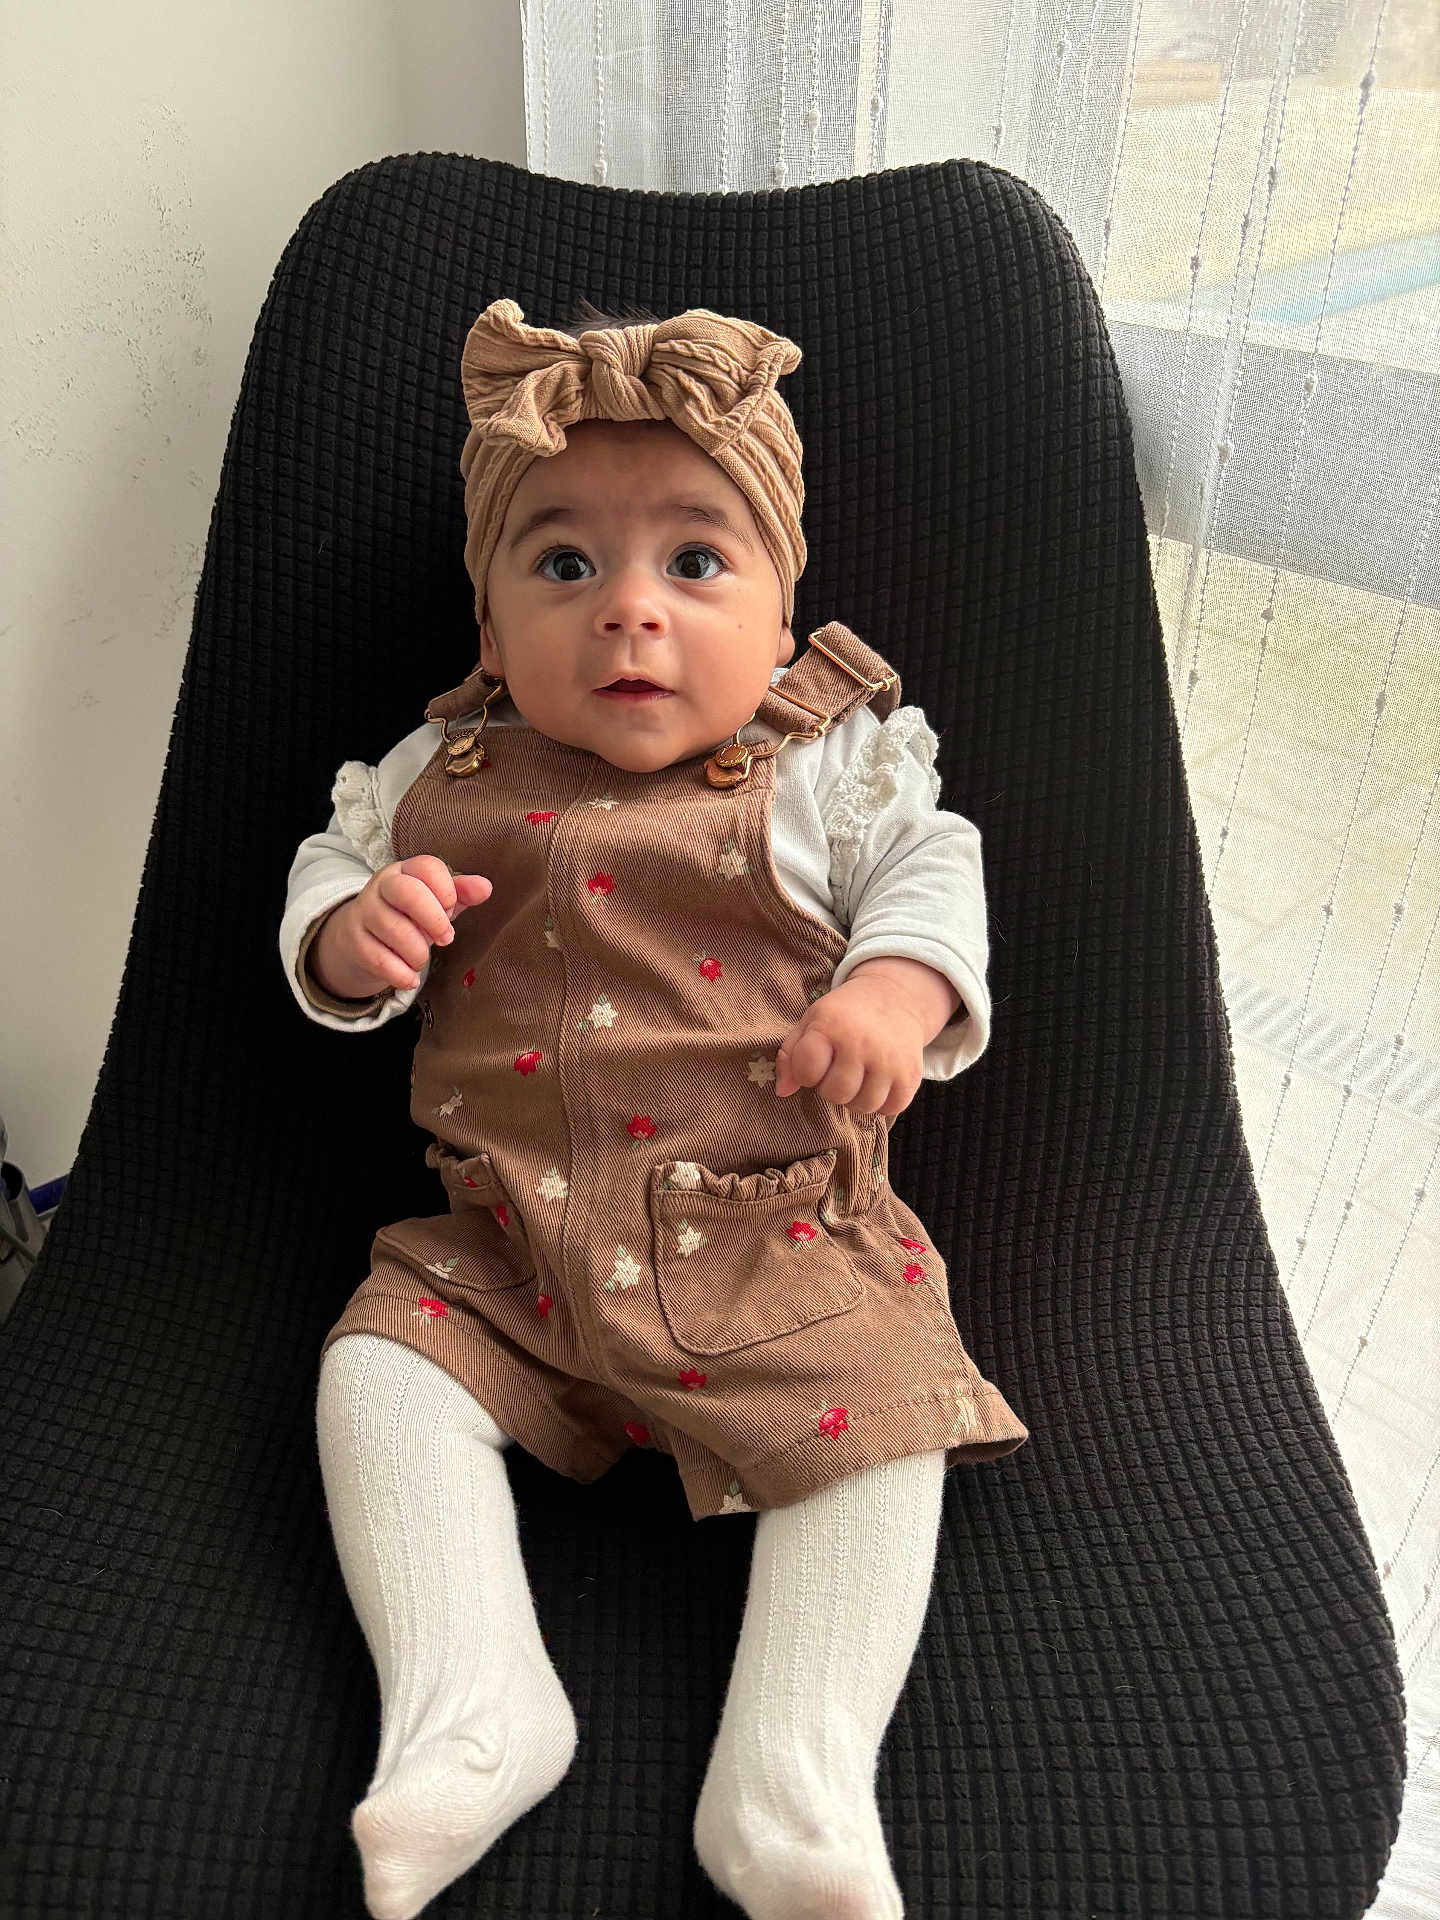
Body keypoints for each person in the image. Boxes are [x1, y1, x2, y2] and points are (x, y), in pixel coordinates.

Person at [280, 294, 1029, 1920]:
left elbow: (936, 871)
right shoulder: (431, 773)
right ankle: (474, 1707)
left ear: (781, 617)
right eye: (564, 564)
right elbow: (328, 867)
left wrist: (896, 992)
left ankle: (793, 1780)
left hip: (775, 1254)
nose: (630, 609)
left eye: (695, 562)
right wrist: (351, 932)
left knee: (889, 1426)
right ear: (489, 630)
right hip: (508, 1255)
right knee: (373, 1377)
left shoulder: (828, 770)